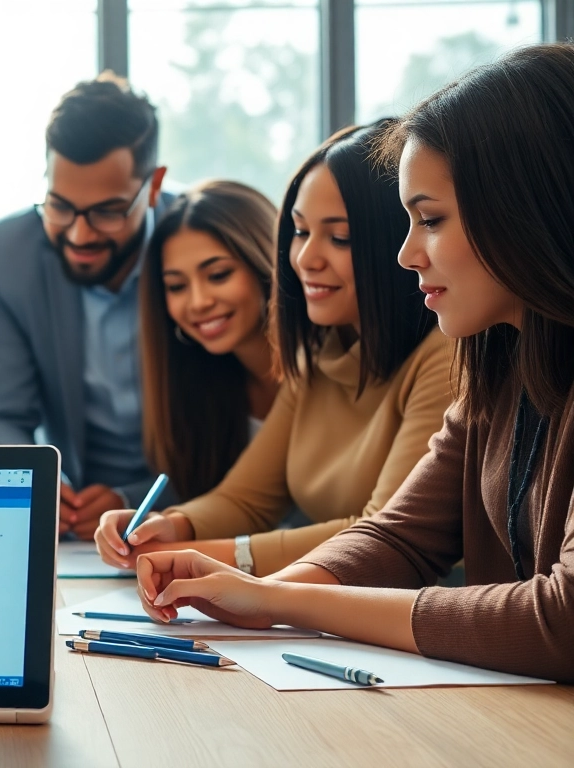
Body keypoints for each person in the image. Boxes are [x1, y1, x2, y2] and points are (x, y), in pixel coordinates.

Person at [132, 43, 574, 682]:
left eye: (430, 220)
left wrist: (284, 597)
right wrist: (268, 595)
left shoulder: (450, 357)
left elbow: (559, 622)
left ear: (526, 209)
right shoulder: (497, 363)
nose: (406, 255)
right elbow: (399, 537)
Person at [97, 120, 452, 576]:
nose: (306, 258)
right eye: (301, 232)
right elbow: (246, 498)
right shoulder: (319, 355)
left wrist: (212, 557)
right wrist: (170, 527)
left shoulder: (442, 356)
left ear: (396, 241)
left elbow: (381, 534)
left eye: (339, 237)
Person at [0, 72, 174, 540]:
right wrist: (34, 481)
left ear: (154, 186)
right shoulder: (4, 257)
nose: (79, 235)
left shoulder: (201, 246)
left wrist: (134, 496)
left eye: (106, 211)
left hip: (189, 514)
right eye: (59, 206)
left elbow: (241, 439)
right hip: (73, 528)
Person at [139, 180, 280, 502]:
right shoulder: (199, 391)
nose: (198, 302)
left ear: (265, 265)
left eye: (218, 275)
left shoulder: (331, 371)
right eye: (176, 286)